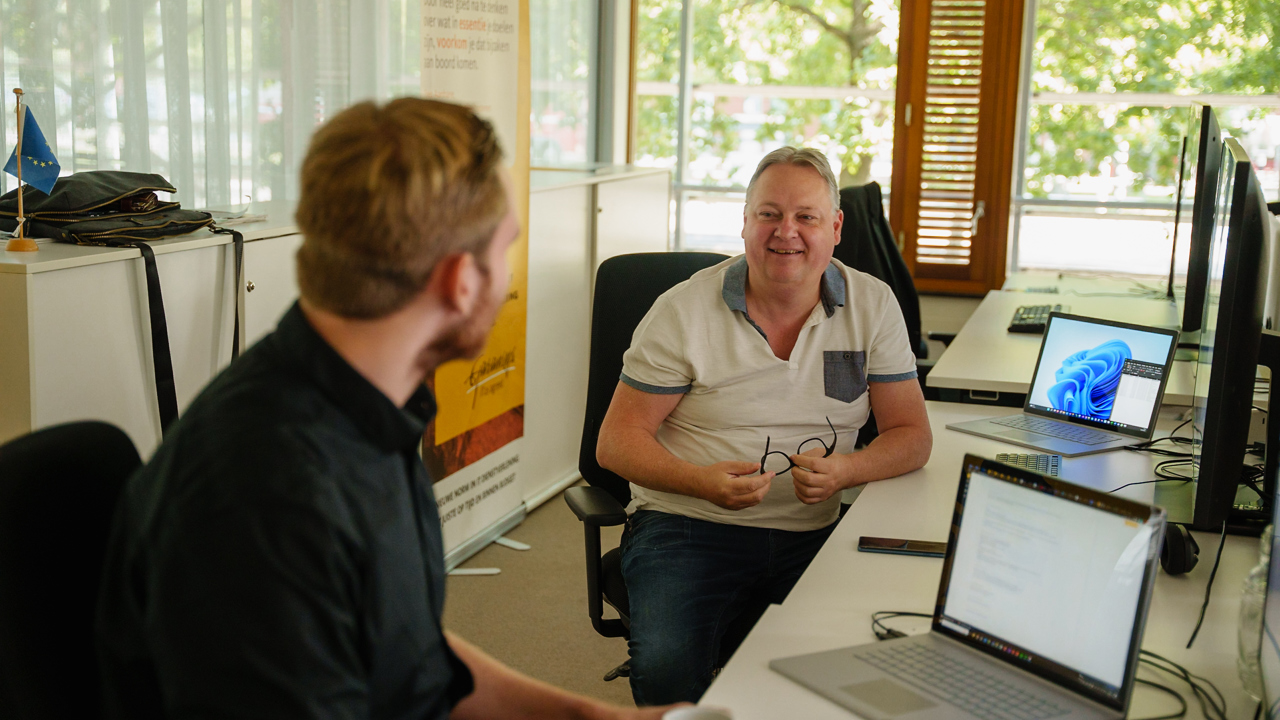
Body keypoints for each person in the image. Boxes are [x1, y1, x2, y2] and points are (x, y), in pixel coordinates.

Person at [95, 98, 678, 720]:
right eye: (504, 249)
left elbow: (405, 654)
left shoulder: (369, 405)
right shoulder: (267, 494)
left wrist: (593, 718)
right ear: (460, 281)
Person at [596, 147, 932, 705]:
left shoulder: (872, 304)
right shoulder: (682, 311)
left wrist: (847, 470)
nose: (787, 233)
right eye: (769, 214)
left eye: (806, 217)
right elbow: (617, 440)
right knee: (667, 675)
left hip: (815, 531)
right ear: (746, 222)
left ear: (836, 227)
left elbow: (911, 435)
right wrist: (700, 481)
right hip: (688, 524)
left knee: (861, 669)